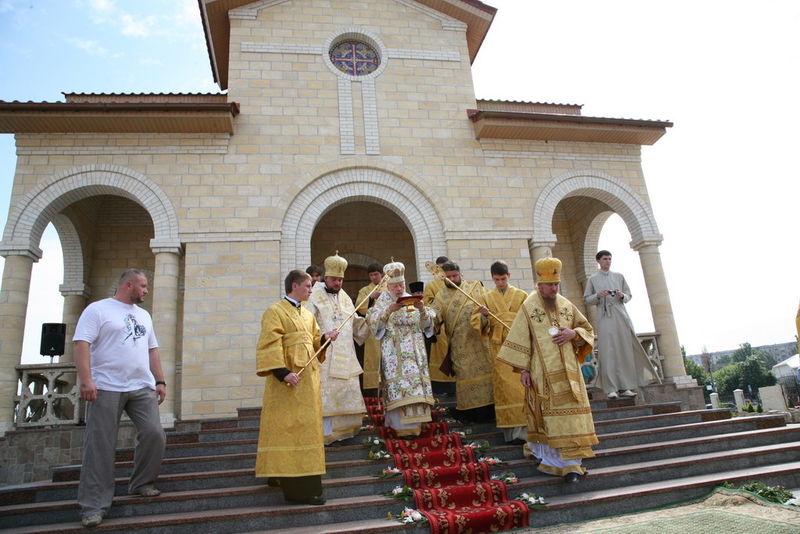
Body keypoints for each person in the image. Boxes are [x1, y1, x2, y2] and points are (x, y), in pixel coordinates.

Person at [74, 269, 167, 528]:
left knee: (154, 434)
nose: (147, 291)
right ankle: (94, 506)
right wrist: (86, 380)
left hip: (141, 386)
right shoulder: (98, 310)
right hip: (105, 386)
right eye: (143, 286)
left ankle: (141, 483)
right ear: (129, 285)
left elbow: (152, 350)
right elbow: (81, 344)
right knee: (100, 446)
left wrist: (159, 380)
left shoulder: (144, 316)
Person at [497, 257, 598, 483]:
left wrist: (574, 334)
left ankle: (573, 462)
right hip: (541, 374)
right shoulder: (529, 305)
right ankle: (555, 463)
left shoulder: (565, 304)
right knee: (549, 418)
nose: (554, 288)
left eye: (557, 284)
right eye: (550, 284)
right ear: (540, 284)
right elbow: (521, 338)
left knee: (572, 418)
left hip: (571, 374)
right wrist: (523, 370)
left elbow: (587, 329)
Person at [255, 269, 326, 505]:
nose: (311, 290)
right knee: (288, 431)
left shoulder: (308, 315)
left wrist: (326, 339)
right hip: (287, 384)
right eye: (308, 286)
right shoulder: (274, 311)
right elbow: (269, 344)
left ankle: (299, 479)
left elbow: (315, 344)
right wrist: (282, 373)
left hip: (308, 384)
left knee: (306, 430)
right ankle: (298, 489)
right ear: (294, 286)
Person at [367, 261, 435, 437]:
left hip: (415, 352)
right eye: (395, 285)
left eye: (401, 285)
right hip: (394, 355)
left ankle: (418, 425)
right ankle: (400, 427)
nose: (399, 289)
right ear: (388, 286)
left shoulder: (411, 299)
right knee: (400, 388)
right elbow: (373, 322)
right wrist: (388, 310)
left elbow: (427, 326)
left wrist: (422, 311)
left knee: (416, 388)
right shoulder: (383, 301)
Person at [306, 252, 367, 444]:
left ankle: (348, 431)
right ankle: (326, 434)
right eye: (334, 279)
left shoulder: (345, 297)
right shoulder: (313, 295)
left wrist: (370, 320)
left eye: (341, 280)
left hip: (346, 355)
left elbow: (354, 322)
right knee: (328, 394)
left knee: (347, 390)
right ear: (326, 277)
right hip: (326, 354)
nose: (338, 283)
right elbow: (306, 323)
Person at [583, 250, 657, 398]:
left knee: (624, 351)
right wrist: (598, 295)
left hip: (621, 316)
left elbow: (629, 294)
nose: (608, 261)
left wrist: (621, 295)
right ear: (598, 261)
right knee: (608, 352)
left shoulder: (619, 276)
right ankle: (610, 388)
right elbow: (586, 299)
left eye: (610, 259)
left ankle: (626, 386)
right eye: (605, 259)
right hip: (605, 317)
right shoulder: (593, 279)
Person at [472, 260, 528, 444]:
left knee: (521, 389)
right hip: (498, 348)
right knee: (505, 388)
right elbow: (476, 322)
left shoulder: (521, 295)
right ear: (492, 279)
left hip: (518, 345)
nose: (500, 283)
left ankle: (528, 430)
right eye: (497, 280)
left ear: (509, 276)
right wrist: (484, 315)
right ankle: (511, 433)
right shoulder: (486, 298)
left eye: (503, 279)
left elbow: (530, 318)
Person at [431, 262, 494, 422]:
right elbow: (434, 317)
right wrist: (425, 315)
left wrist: (486, 314)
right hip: (460, 345)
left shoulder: (475, 287)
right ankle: (470, 414)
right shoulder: (440, 296)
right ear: (443, 278)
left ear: (461, 274)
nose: (452, 279)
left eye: (455, 276)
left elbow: (488, 304)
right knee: (465, 375)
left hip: (481, 340)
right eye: (449, 277)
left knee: (487, 374)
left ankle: (491, 412)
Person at [423, 256, 456, 395]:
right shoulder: (431, 285)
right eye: (440, 268)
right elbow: (427, 305)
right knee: (441, 356)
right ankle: (441, 390)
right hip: (441, 327)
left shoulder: (455, 282)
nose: (442, 271)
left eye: (445, 267)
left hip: (456, 325)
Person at [356, 263, 384, 396]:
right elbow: (360, 308)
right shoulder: (365, 290)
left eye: (376, 274)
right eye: (371, 275)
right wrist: (371, 298)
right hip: (372, 329)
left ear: (382, 274)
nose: (374, 277)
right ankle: (373, 390)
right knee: (373, 357)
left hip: (388, 327)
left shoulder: (389, 288)